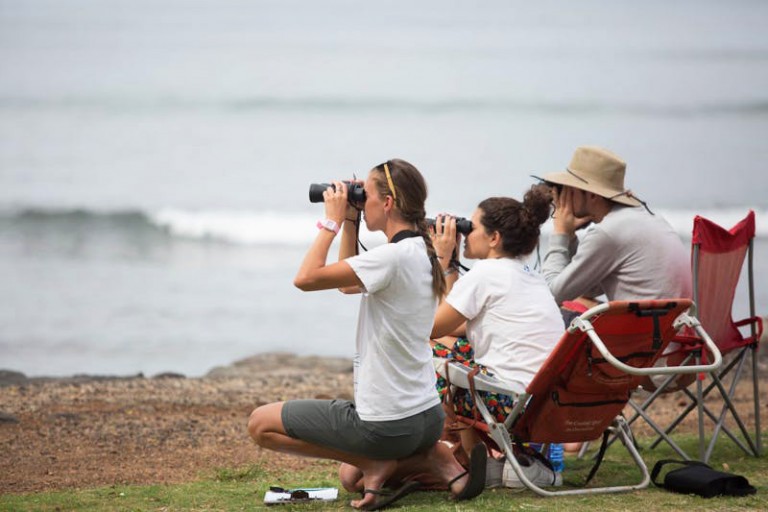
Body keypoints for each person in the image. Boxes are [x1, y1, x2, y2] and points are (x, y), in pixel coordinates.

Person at [247, 159, 486, 511]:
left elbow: (305, 278)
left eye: (366, 195)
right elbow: (346, 287)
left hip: (387, 424)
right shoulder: (421, 251)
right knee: (348, 479)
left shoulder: (390, 258)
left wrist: (330, 218)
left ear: (387, 203)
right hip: (427, 417)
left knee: (260, 424)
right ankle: (433, 457)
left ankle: (380, 462)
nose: (361, 200)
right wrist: (350, 220)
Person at [428, 185, 564, 486]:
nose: (466, 233)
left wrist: (440, 257)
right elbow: (457, 323)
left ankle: (471, 460)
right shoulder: (527, 274)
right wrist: (451, 264)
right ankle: (492, 461)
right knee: (455, 349)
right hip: (547, 404)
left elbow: (432, 326)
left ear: (494, 238)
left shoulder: (486, 273)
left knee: (429, 353)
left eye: (471, 227)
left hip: (510, 404)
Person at [539, 146, 692, 309]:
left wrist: (560, 233)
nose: (564, 198)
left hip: (644, 331)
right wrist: (570, 237)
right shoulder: (647, 217)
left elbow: (550, 296)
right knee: (580, 302)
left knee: (558, 312)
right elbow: (587, 288)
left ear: (592, 194)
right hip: (673, 327)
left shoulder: (607, 233)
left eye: (570, 190)